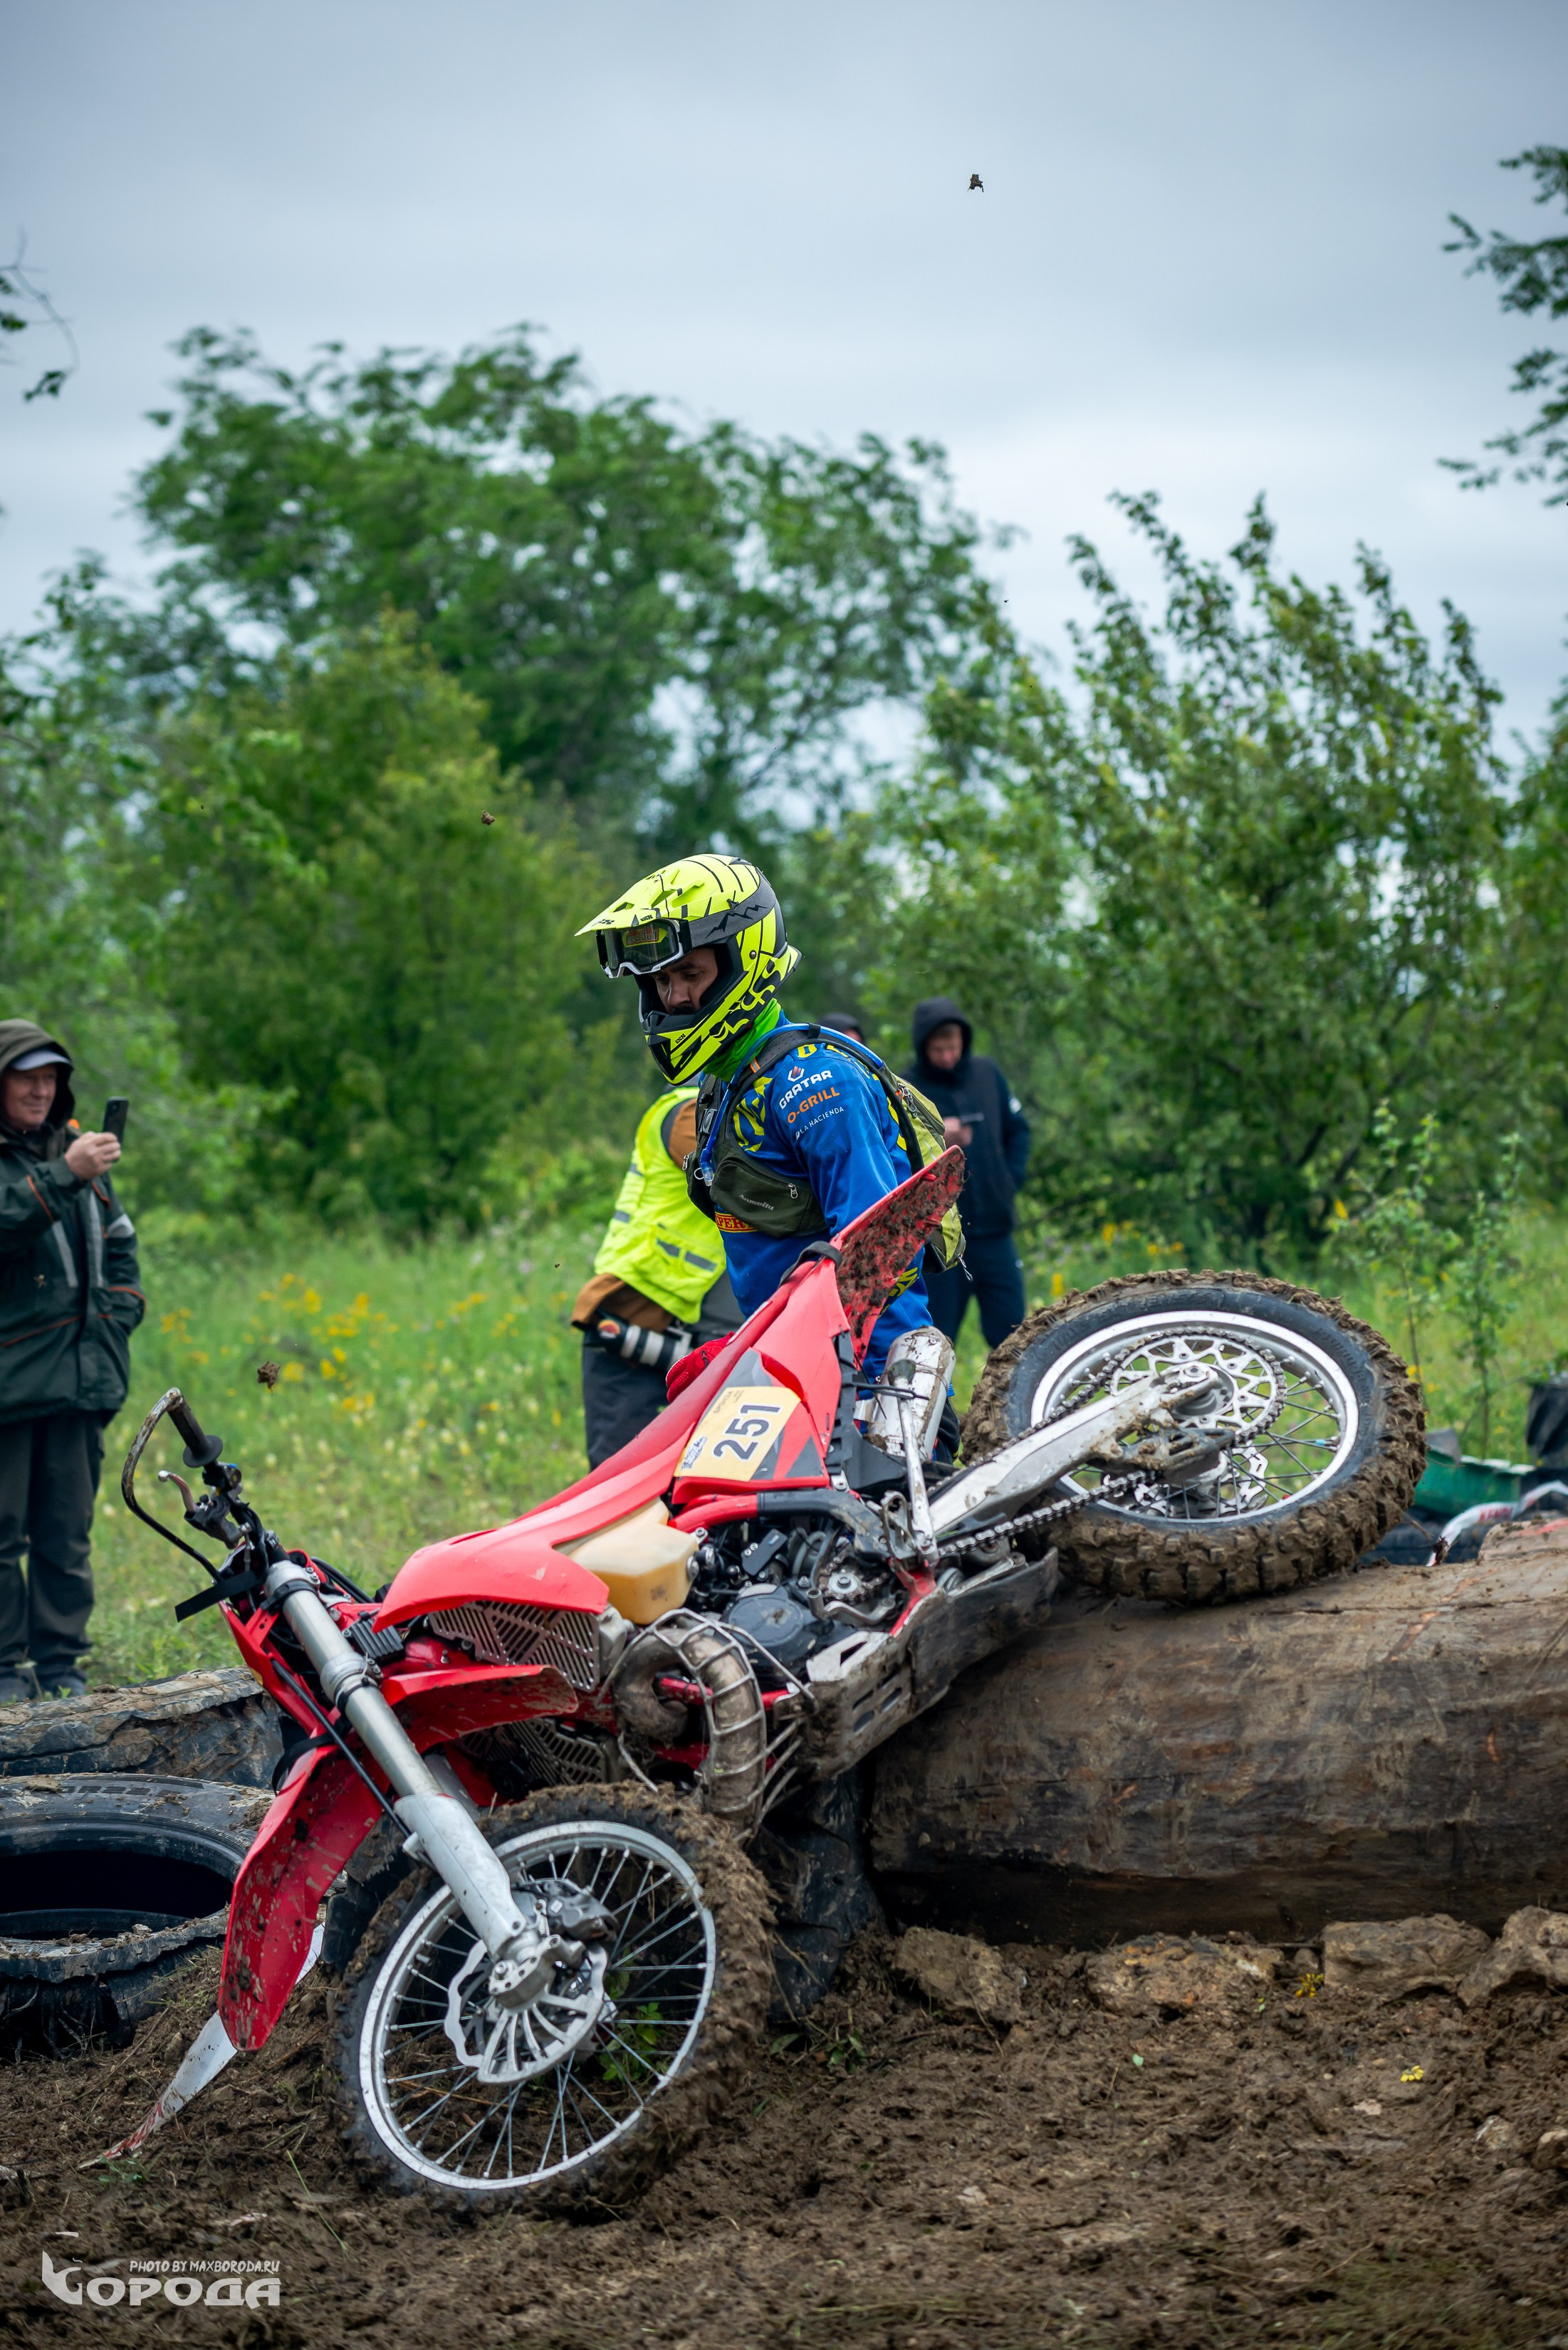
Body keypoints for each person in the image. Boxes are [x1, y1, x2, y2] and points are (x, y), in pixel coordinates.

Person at [578, 858, 962, 1389]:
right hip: (792, 1371)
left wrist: (750, 1351)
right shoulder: (724, 1087)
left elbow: (875, 1254)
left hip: (874, 1382)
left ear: (745, 961)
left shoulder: (816, 1084)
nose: (674, 997)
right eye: (661, 979)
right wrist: (748, 1351)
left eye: (690, 974)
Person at [0, 1022, 144, 1702]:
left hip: (80, 1378)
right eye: (26, 1078)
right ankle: (4, 1671)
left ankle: (61, 1667)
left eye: (50, 1078)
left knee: (66, 1533)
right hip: (8, 1382)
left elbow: (121, 1245)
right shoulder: (68, 1163)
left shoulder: (76, 1149)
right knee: (1, 1537)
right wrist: (65, 1176)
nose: (40, 1090)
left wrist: (119, 1318)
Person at [571, 1083, 742, 1468]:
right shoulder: (688, 1112)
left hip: (694, 1318)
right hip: (636, 1310)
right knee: (617, 1473)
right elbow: (739, 1176)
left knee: (716, 1469)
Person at [906, 996, 1030, 1350]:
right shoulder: (906, 1088)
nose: (948, 1057)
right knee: (936, 1340)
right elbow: (898, 1156)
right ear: (923, 1047)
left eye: (953, 1047)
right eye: (939, 1050)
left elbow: (1018, 1131)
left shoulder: (987, 1074)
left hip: (995, 1231)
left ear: (964, 1041)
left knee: (1013, 1335)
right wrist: (939, 1137)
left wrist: (1009, 1181)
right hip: (941, 1242)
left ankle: (1014, 1389)